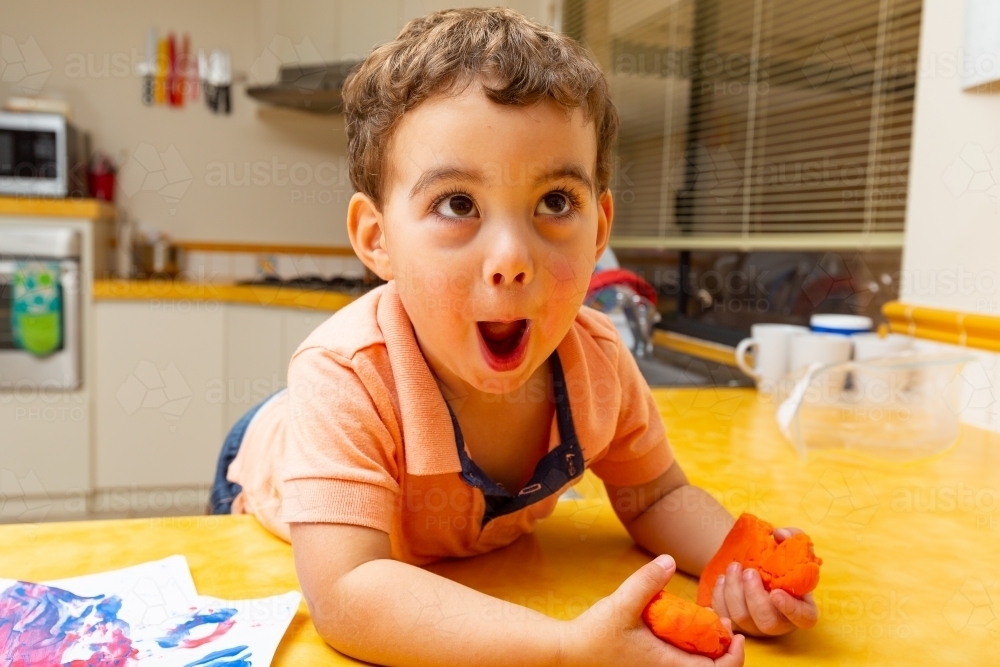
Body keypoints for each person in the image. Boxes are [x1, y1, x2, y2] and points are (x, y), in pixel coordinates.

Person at [212, 8, 818, 665]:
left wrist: (740, 566)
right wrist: (564, 648)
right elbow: (349, 591)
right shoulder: (344, 374)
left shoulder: (601, 363)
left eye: (555, 201)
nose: (511, 257)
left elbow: (659, 495)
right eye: (457, 204)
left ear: (599, 225)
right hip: (265, 459)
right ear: (376, 238)